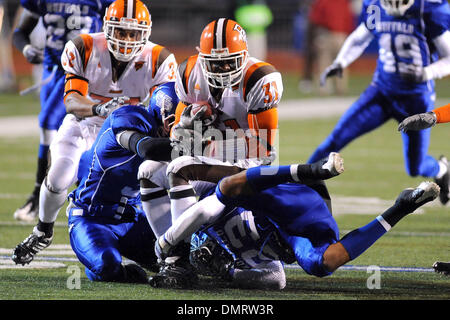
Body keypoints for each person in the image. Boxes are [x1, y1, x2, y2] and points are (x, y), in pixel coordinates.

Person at [12, 0, 178, 266]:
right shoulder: (84, 46)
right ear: (106, 28)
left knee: (160, 177)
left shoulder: (158, 58)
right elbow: (72, 102)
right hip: (85, 123)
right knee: (58, 176)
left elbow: (165, 105)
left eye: (133, 33)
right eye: (120, 32)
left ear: (145, 33)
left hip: (128, 130)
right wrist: (100, 107)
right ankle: (42, 231)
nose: (126, 40)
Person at [154, 153, 440, 289]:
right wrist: (228, 271)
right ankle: (401, 207)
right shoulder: (238, 260)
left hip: (267, 199)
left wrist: (168, 241)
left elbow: (202, 207)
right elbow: (276, 279)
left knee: (224, 183)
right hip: (289, 230)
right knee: (326, 262)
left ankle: (314, 170)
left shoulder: (201, 217)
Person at [142, 18, 283, 287]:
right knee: (148, 170)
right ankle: (178, 262)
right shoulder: (189, 72)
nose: (224, 69)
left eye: (230, 62)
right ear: (201, 55)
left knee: (179, 166)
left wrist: (207, 146)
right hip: (207, 159)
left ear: (244, 56)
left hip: (247, 166)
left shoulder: (258, 79)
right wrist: (187, 122)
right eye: (216, 63)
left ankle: (177, 248)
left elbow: (263, 149)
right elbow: (178, 136)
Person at [311, 0, 450, 203]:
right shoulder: (375, 5)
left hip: (415, 101)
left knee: (415, 167)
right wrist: (341, 61)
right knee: (334, 140)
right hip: (380, 94)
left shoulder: (428, 9)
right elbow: (360, 37)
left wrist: (425, 73)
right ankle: (297, 189)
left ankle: (442, 169)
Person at [63, 82, 178, 283]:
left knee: (180, 256)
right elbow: (148, 148)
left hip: (134, 218)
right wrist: (193, 145)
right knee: (107, 266)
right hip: (93, 218)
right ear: (165, 115)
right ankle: (104, 267)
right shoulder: (129, 119)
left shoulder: (166, 133)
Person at [11, 0, 115, 222]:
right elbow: (20, 32)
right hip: (51, 71)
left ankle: (39, 197)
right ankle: (66, 194)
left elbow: (116, 28)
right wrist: (27, 48)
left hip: (80, 71)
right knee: (55, 132)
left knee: (49, 122)